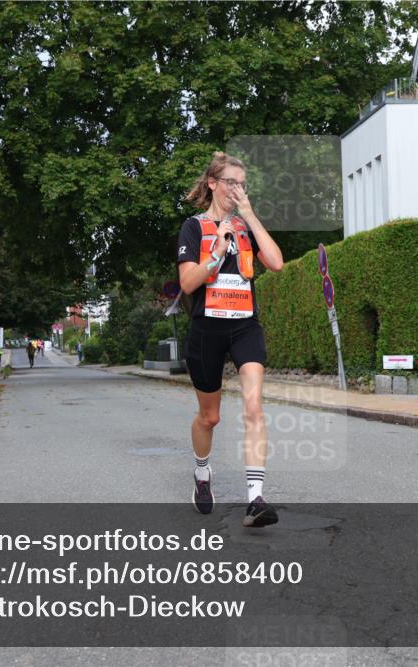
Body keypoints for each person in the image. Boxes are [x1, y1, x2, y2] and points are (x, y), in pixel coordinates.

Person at [176, 151, 284, 527]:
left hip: (244, 325)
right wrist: (217, 252)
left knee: (254, 408)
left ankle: (255, 499)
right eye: (231, 183)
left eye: (242, 184)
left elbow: (276, 262)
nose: (237, 190)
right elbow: (187, 283)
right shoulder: (194, 228)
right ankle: (202, 474)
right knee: (210, 417)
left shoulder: (245, 225)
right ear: (212, 184)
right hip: (207, 328)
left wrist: (250, 216)